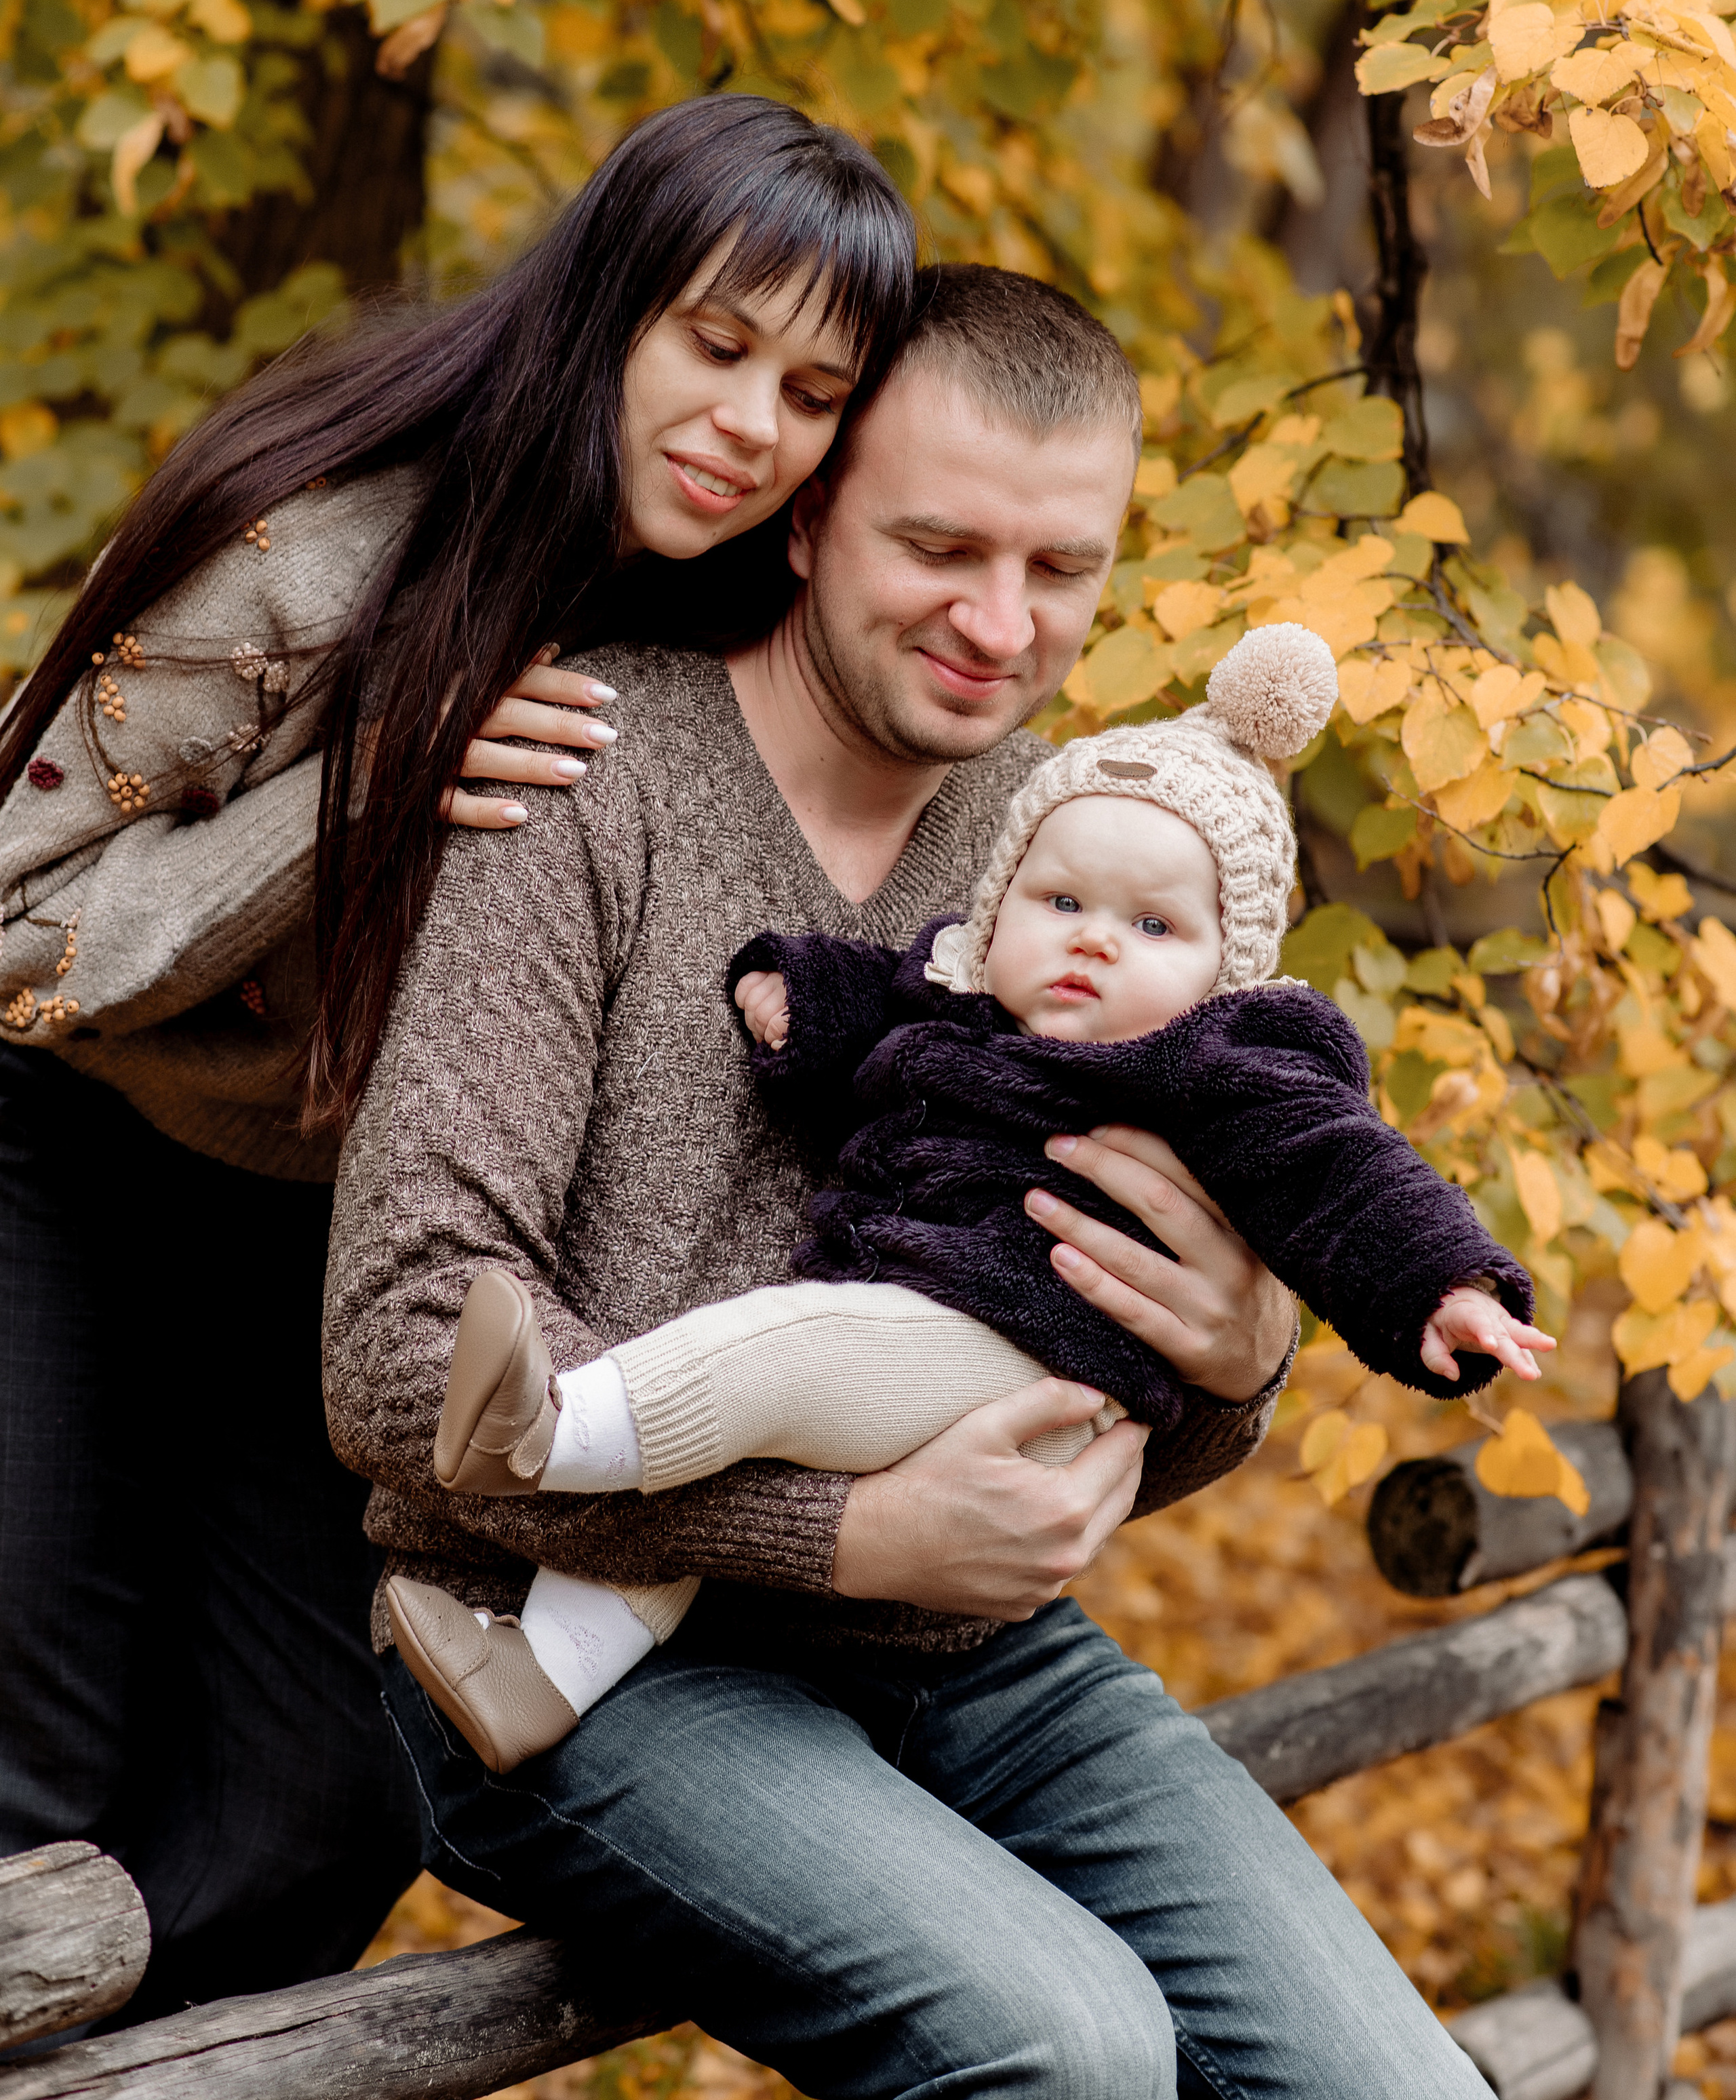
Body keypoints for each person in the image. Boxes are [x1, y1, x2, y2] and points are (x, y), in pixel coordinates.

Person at [325, 265, 1525, 2100]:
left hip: (977, 1657)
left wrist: (1237, 1361)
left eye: (1063, 569)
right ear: (808, 515)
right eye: (941, 547)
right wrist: (847, 1532)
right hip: (565, 1647)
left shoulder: (1092, 844)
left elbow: (1120, 1364)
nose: (1000, 625)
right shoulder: (581, 778)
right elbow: (404, 1359)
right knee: (1070, 2059)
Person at [0, 93, 915, 2019]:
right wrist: (371, 797)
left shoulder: (733, 640)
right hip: (60, 1149)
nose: (753, 423)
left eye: (816, 393)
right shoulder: (321, 538)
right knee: (34, 1782)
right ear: (608, 306)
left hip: (319, 1246)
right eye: (718, 344)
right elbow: (11, 912)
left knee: (317, 1817)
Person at [387, 620, 1553, 1772]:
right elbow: (887, 1003)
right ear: (1002, 907)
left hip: (1020, 1351)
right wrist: (799, 994)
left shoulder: (1221, 1065)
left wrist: (1443, 1282)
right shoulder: (975, 1002)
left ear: (1227, 964)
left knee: (777, 1351)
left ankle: (555, 1428)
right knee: (721, 1479)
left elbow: (1343, 1168)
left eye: (1152, 925)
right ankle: (536, 1676)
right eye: (1060, 904)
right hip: (928, 1329)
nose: (1092, 943)